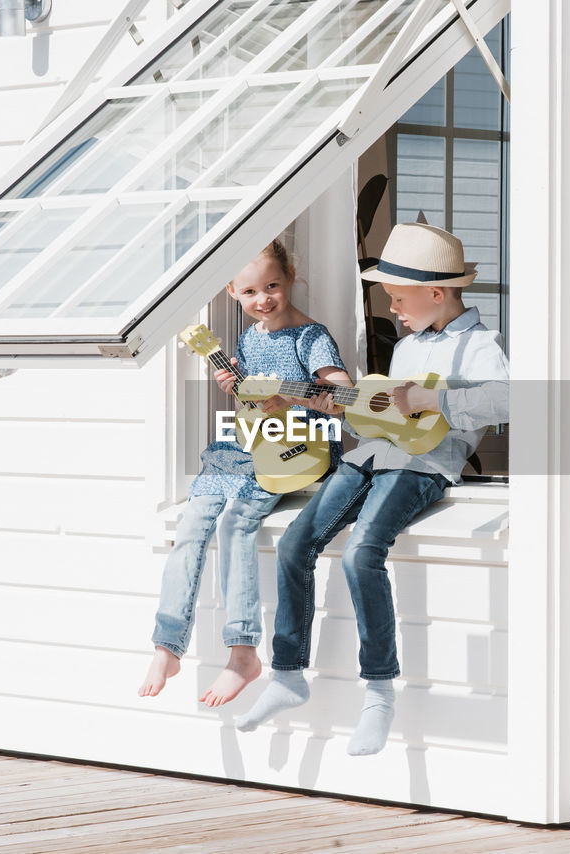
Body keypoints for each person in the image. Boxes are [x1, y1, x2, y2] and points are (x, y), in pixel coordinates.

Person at [235, 223, 509, 754]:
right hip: (372, 456)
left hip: (422, 466)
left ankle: (379, 694)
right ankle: (288, 675)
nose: (395, 310)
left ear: (436, 293)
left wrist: (434, 403)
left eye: (400, 299)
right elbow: (378, 418)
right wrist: (310, 402)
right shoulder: (406, 349)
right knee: (296, 543)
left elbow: (506, 400)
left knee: (363, 553)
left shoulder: (481, 345)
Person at [138, 239, 352, 707]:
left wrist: (302, 396)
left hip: (297, 444)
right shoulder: (248, 338)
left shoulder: (310, 336)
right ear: (233, 292)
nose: (263, 299)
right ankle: (167, 644)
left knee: (237, 520)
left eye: (272, 286)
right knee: (193, 521)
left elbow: (342, 391)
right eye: (251, 291)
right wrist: (239, 389)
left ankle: (242, 652)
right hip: (249, 440)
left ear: (289, 277)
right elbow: (254, 404)